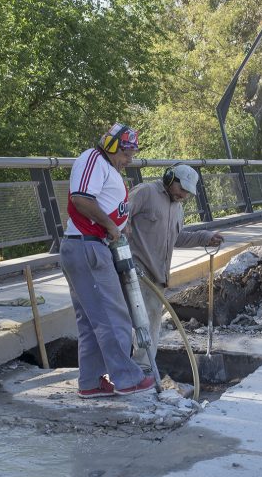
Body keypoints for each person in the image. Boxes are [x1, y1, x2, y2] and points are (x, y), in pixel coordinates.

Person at [58, 123, 155, 398]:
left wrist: (119, 223)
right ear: (112, 146)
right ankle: (127, 378)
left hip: (88, 247)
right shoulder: (93, 160)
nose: (129, 160)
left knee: (91, 321)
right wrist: (111, 227)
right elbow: (81, 199)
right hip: (88, 247)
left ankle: (90, 382)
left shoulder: (106, 167)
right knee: (114, 316)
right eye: (126, 154)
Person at [126, 164, 223, 375]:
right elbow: (119, 218)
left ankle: (142, 367)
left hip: (157, 275)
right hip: (136, 270)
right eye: (182, 189)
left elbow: (177, 238)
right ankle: (135, 368)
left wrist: (205, 237)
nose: (184, 195)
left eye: (188, 192)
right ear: (170, 178)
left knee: (150, 321)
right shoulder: (146, 192)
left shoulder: (177, 207)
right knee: (136, 321)